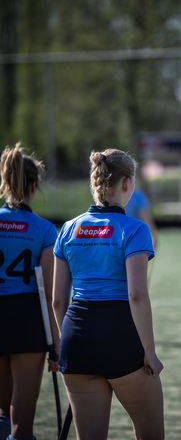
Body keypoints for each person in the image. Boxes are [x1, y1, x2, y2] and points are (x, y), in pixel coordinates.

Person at [53, 148, 164, 440]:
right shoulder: (136, 229)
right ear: (127, 183)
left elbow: (57, 300)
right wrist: (150, 354)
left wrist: (67, 344)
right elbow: (137, 294)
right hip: (120, 338)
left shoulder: (67, 229)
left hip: (76, 338)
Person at [0, 143, 59, 440]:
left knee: (1, 415)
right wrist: (57, 344)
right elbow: (50, 294)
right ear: (34, 186)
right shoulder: (46, 230)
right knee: (21, 424)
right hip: (26, 322)